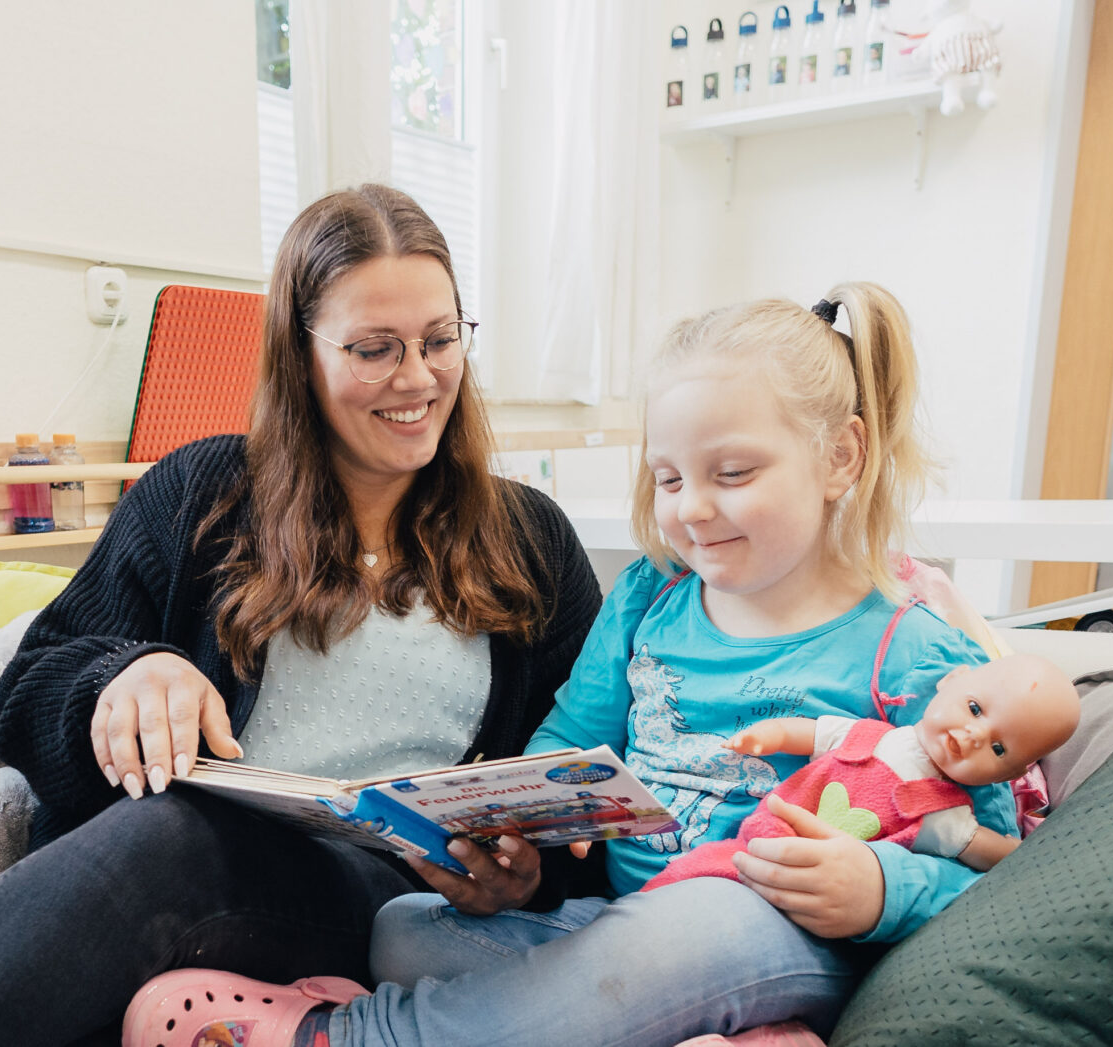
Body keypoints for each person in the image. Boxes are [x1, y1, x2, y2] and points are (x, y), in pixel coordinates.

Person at [124, 288, 1018, 1047]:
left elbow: (1003, 870)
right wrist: (510, 820)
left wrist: (879, 889)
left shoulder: (916, 652)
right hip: (620, 928)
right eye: (669, 479)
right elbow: (567, 742)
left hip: (788, 931)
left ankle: (346, 1033)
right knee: (403, 933)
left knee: (703, 923)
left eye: (733, 472)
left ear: (841, 457)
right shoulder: (648, 603)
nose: (694, 509)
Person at [0, 183, 606, 1047]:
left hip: (398, 905)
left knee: (174, 840)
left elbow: (591, 798)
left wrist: (524, 878)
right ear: (299, 352)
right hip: (206, 881)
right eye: (374, 349)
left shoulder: (531, 537)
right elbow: (31, 693)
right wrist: (122, 671)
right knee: (177, 835)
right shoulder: (204, 490)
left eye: (439, 339)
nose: (418, 378)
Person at [642, 652, 1080, 890]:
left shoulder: (944, 814)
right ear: (951, 680)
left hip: (809, 888)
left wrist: (1041, 856)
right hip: (751, 842)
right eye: (974, 708)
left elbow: (992, 852)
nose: (972, 735)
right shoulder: (871, 735)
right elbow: (811, 733)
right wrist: (769, 735)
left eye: (998, 747)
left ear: (1011, 773)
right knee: (680, 877)